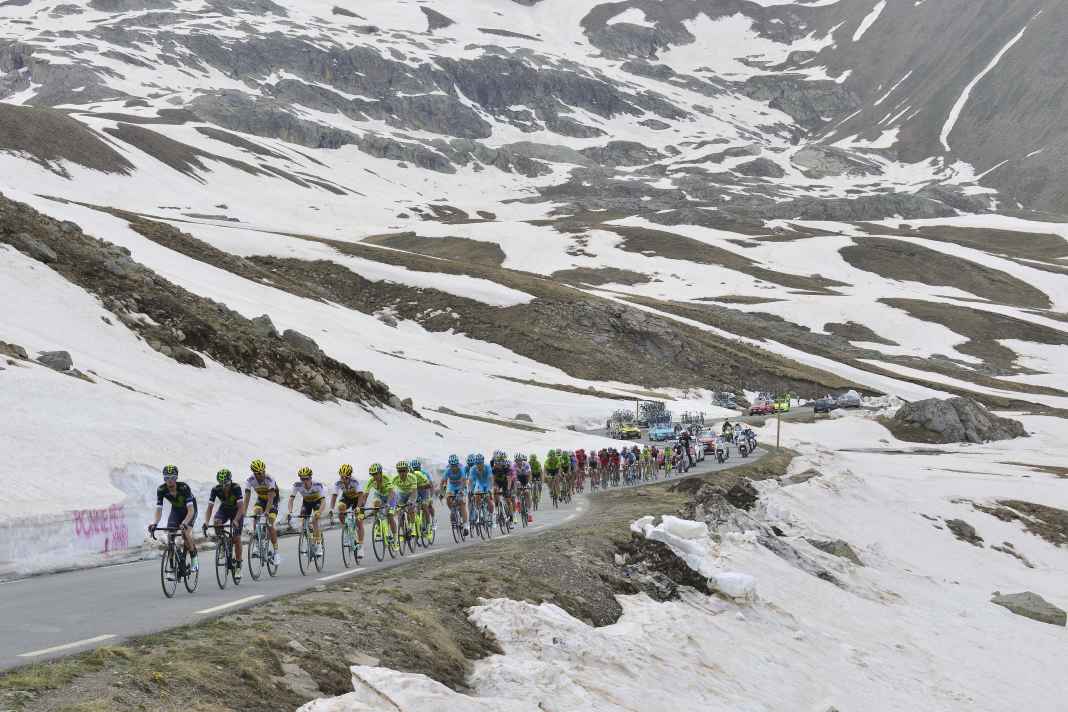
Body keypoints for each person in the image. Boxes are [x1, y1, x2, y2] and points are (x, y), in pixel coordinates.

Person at [149, 465, 198, 572]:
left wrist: (185, 523)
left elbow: (191, 511)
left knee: (185, 533)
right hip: (176, 511)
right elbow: (159, 510)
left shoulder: (184, 488)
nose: (169, 480)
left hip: (189, 511)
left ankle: (194, 558)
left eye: (172, 477)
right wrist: (155, 523)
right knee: (171, 535)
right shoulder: (161, 490)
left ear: (176, 478)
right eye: (167, 478)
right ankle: (172, 567)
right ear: (164, 478)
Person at [202, 468, 244, 581]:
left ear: (230, 481)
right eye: (221, 484)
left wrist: (235, 520)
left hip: (237, 511)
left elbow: (241, 507)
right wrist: (206, 522)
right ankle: (222, 542)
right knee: (216, 522)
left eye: (226, 483)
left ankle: (239, 565)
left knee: (236, 537)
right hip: (224, 509)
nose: (224, 486)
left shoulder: (236, 488)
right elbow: (210, 508)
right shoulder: (216, 489)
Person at [243, 459, 280, 565]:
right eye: (259, 473)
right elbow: (247, 497)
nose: (262, 474)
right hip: (261, 499)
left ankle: (276, 553)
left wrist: (267, 511)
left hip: (272, 500)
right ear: (254, 473)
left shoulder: (270, 479)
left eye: (263, 471)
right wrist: (244, 512)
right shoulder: (250, 480)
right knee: (257, 514)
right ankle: (257, 542)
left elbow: (271, 497)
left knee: (269, 522)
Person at [286, 466, 327, 556]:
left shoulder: (317, 485)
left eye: (306, 479)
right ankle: (310, 538)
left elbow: (323, 502)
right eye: (302, 479)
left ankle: (319, 544)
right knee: (304, 523)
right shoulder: (297, 485)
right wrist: (290, 512)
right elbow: (291, 500)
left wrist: (319, 512)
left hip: (317, 502)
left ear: (310, 478)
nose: (304, 481)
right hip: (307, 503)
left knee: (315, 519)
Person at [328, 464, 364, 553]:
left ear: (350, 476)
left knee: (359, 521)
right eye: (342, 477)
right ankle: (346, 529)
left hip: (357, 499)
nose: (343, 480)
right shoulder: (338, 483)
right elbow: (334, 496)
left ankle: (361, 546)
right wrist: (331, 509)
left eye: (346, 478)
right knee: (340, 508)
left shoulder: (355, 482)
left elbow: (361, 495)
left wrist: (358, 507)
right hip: (347, 498)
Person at [364, 463, 399, 552]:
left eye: (376, 474)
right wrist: (361, 507)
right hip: (379, 495)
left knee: (390, 515)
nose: (374, 476)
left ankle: (395, 539)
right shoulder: (371, 481)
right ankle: (378, 525)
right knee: (376, 504)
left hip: (390, 496)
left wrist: (387, 503)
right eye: (372, 474)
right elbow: (365, 495)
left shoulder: (386, 478)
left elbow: (391, 492)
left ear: (380, 473)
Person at [440, 454, 469, 537]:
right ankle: (453, 511)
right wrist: (442, 493)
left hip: (461, 485)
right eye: (452, 466)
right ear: (450, 465)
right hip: (452, 486)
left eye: (455, 465)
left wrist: (461, 491)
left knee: (462, 503)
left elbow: (464, 481)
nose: (454, 467)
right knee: (448, 499)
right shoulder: (447, 470)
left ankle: (466, 525)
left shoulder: (461, 469)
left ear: (457, 464)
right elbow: (442, 482)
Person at [409, 459, 435, 536]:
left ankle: (430, 523)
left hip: (425, 491)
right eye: (414, 469)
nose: (416, 470)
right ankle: (415, 526)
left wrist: (431, 496)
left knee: (426, 506)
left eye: (417, 468)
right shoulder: (410, 474)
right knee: (412, 507)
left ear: (420, 467)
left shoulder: (425, 473)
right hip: (416, 491)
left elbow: (431, 485)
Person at [466, 453, 493, 526]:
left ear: (483, 462)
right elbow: (470, 481)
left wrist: (490, 489)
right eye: (477, 463)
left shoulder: (488, 467)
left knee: (488, 499)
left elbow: (490, 479)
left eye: (480, 463)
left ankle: (491, 517)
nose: (479, 465)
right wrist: (470, 490)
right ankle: (479, 512)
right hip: (479, 484)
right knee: (476, 495)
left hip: (486, 483)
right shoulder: (473, 468)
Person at [491, 450, 513, 525]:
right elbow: (493, 480)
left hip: (505, 483)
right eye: (496, 462)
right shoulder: (494, 468)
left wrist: (508, 489)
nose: (497, 464)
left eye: (499, 463)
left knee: (508, 499)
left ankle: (511, 516)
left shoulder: (506, 467)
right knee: (495, 491)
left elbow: (509, 479)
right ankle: (497, 509)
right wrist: (493, 487)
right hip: (498, 482)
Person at [513, 453, 533, 523]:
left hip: (525, 478)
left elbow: (529, 474)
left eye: (520, 460)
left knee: (527, 492)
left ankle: (530, 514)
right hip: (518, 478)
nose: (519, 462)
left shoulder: (526, 464)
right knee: (517, 489)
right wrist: (516, 482)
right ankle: (518, 501)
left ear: (522, 460)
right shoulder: (514, 465)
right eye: (517, 461)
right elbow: (514, 476)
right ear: (515, 461)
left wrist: (529, 483)